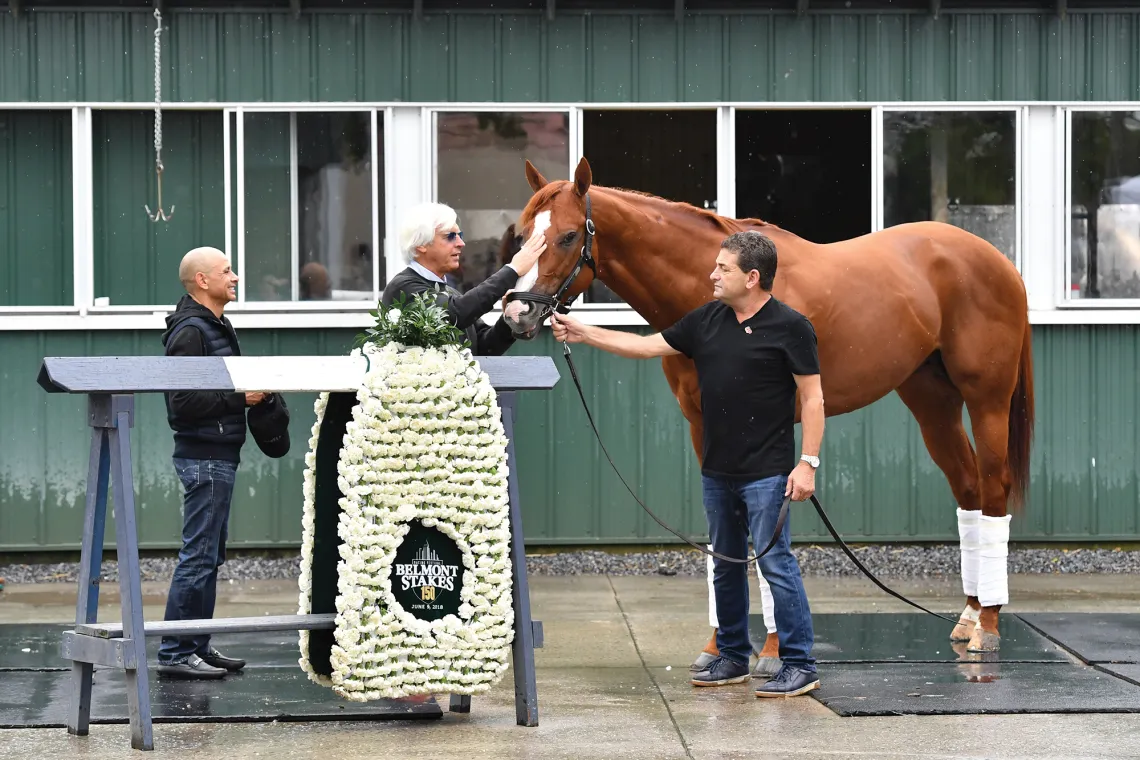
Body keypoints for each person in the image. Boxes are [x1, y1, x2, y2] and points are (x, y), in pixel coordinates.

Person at [549, 230, 825, 698]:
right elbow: (645, 346)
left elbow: (813, 396)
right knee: (724, 564)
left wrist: (808, 463)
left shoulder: (791, 326)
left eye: (723, 269)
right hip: (717, 471)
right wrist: (582, 332)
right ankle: (734, 655)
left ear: (752, 278)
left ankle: (800, 664)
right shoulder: (706, 321)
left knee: (777, 565)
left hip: (769, 473)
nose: (712, 275)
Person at [157, 246, 267, 680]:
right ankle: (175, 652)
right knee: (198, 556)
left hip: (218, 454)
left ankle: (195, 643)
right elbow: (181, 403)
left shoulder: (215, 325)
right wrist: (241, 398)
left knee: (209, 556)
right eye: (227, 271)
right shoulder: (190, 331)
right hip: (204, 457)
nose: (235, 276)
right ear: (203, 281)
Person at [382, 202, 546, 355]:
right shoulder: (403, 287)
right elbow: (455, 315)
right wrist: (513, 269)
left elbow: (484, 347)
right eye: (450, 236)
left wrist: (508, 319)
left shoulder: (449, 292)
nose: (461, 243)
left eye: (459, 235)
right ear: (421, 244)